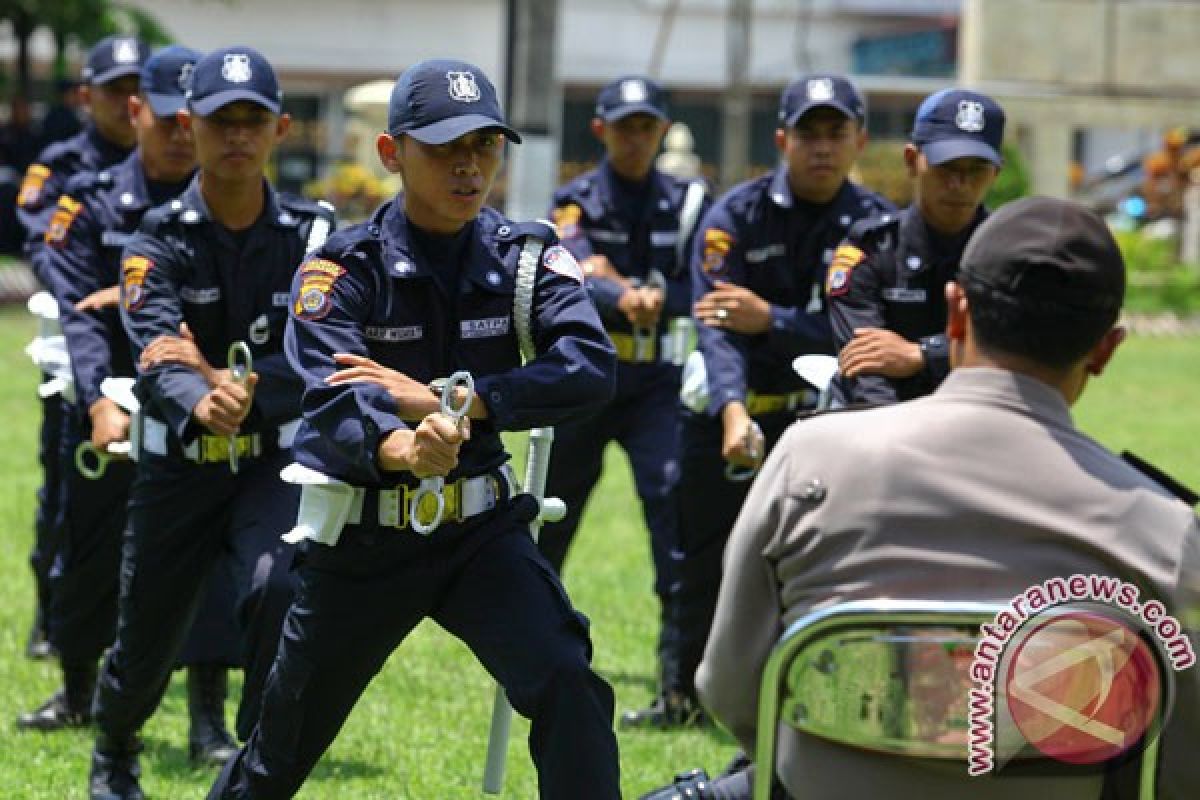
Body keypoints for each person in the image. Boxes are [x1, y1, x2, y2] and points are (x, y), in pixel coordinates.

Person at [208, 58, 621, 800]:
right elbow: (333, 404)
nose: (469, 167)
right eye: (444, 148)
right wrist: (406, 448)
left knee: (569, 684)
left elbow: (590, 366)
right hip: (368, 537)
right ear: (392, 153)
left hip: (479, 532)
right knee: (279, 750)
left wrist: (458, 403)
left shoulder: (523, 257)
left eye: (485, 146)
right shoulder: (340, 269)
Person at [696, 196, 1200, 799]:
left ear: (956, 312)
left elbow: (728, 686)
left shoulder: (812, 461)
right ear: (1105, 349)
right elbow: (1182, 764)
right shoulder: (1163, 533)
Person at [86, 46, 334, 800]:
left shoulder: (314, 237)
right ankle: (115, 750)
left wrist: (245, 396)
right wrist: (202, 398)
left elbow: (322, 346)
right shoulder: (154, 239)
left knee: (279, 588)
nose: (237, 135)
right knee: (147, 637)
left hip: (268, 460)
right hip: (179, 462)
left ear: (281, 128)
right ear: (187, 126)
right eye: (220, 120)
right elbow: (155, 350)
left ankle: (253, 765)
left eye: (252, 119)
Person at [21, 45, 245, 767]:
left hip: (193, 406)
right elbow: (77, 309)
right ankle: (78, 689)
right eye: (168, 116)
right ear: (139, 112)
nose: (183, 132)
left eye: (194, 118)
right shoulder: (88, 200)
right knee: (86, 556)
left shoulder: (224, 206)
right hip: (105, 401)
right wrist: (95, 404)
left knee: (205, 565)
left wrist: (135, 292)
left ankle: (208, 719)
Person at [646, 74, 892, 729]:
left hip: (822, 423)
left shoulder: (876, 228)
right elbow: (718, 325)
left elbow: (862, 335)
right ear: (782, 139)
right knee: (697, 558)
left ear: (858, 140)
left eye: (835, 133)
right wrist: (733, 411)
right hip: (727, 416)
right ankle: (682, 698)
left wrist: (773, 320)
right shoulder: (734, 218)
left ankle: (804, 703)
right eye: (807, 133)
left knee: (816, 563)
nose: (822, 147)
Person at [544, 75, 709, 720]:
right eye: (625, 126)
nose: (636, 138)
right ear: (601, 130)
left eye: (647, 126)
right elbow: (566, 269)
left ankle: (678, 686)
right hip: (586, 378)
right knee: (550, 517)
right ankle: (532, 656)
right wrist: (615, 293)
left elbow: (711, 283)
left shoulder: (691, 201)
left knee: (674, 515)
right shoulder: (575, 201)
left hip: (657, 384)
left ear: (663, 129)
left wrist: (655, 294)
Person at [17, 35, 149, 661]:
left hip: (152, 349)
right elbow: (42, 244)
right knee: (68, 490)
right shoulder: (61, 164)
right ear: (83, 95)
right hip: (79, 352)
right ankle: (53, 614)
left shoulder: (176, 165)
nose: (131, 100)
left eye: (140, 88)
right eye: (118, 87)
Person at [829, 89, 1005, 406]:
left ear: (996, 173)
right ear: (912, 161)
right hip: (882, 426)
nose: (959, 184)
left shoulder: (1010, 257)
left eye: (976, 169)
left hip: (979, 424)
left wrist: (922, 354)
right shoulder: (870, 250)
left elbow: (1016, 356)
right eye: (946, 166)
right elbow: (868, 373)